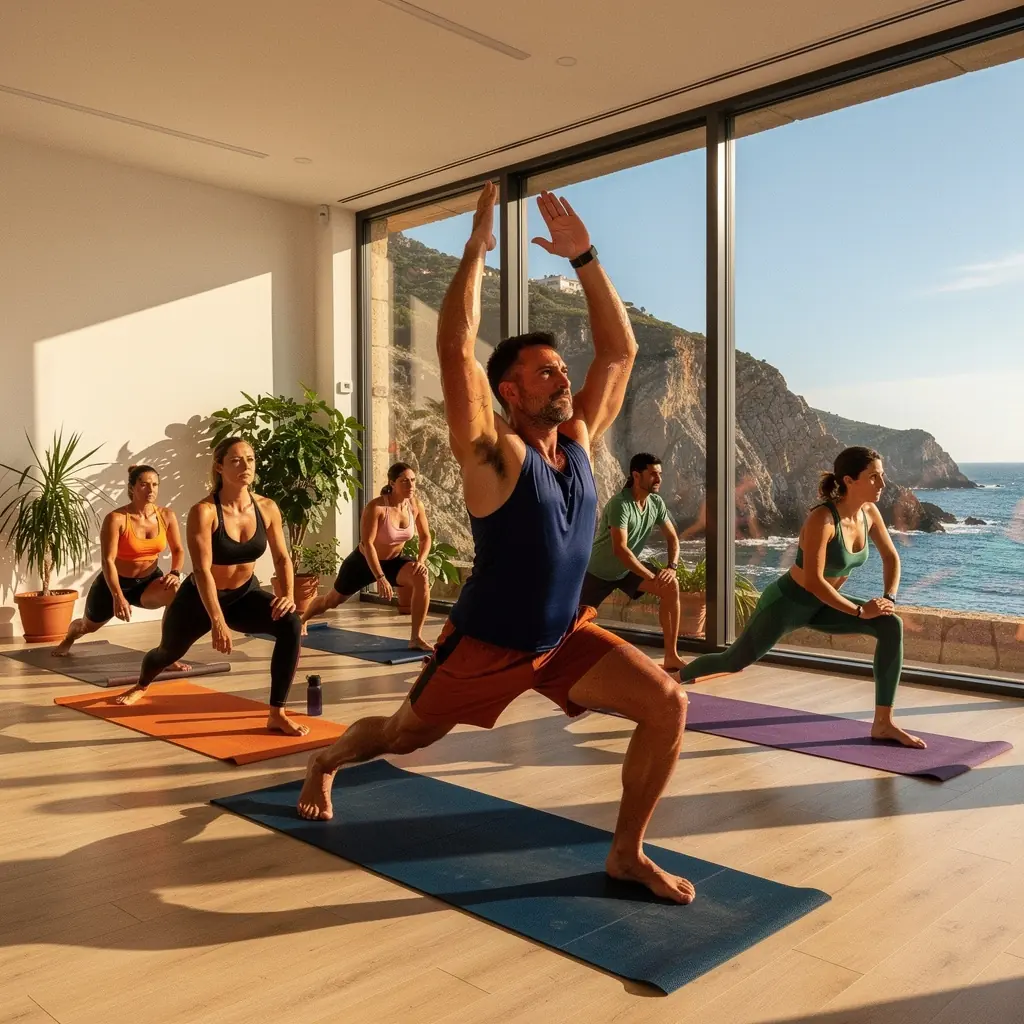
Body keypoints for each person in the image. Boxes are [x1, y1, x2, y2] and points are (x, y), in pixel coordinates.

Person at [298, 183, 695, 905]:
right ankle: (327, 760)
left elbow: (621, 350)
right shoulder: (495, 457)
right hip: (485, 648)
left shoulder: (576, 442)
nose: (562, 376)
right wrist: (475, 252)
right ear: (509, 392)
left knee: (668, 703)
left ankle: (626, 855)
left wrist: (586, 258)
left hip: (560, 638)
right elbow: (453, 348)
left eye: (560, 367)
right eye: (546, 370)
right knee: (401, 735)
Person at [680, 446, 925, 748]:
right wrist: (861, 612)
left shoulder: (869, 514)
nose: (882, 484)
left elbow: (891, 558)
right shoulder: (822, 520)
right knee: (733, 661)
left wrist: (888, 599)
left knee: (891, 625)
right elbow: (813, 581)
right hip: (787, 604)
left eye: (882, 476)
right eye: (874, 477)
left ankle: (883, 724)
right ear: (849, 480)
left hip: (825, 604)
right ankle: (671, 680)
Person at [113, 438, 308, 737]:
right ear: (219, 466)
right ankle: (142, 684)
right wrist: (217, 619)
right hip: (200, 599)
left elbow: (282, 557)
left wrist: (288, 596)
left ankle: (276, 713)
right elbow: (202, 570)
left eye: (250, 459)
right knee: (167, 652)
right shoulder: (203, 511)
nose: (246, 466)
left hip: (245, 594)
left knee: (291, 624)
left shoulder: (267, 507)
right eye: (236, 460)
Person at [53, 465, 186, 659]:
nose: (151, 490)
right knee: (86, 627)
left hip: (148, 583)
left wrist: (174, 572)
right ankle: (69, 639)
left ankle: (165, 653)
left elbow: (178, 550)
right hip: (114, 583)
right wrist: (118, 596)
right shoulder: (116, 519)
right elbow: (107, 560)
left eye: (155, 485)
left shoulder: (166, 515)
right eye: (144, 485)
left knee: (174, 593)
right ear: (132, 488)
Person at [302, 462, 434, 650]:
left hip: (394, 562)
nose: (411, 485)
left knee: (421, 576)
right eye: (404, 481)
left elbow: (426, 537)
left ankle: (416, 638)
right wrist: (379, 577)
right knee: (332, 601)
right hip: (363, 563)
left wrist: (420, 561)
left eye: (413, 480)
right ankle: (303, 619)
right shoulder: (377, 507)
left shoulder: (415, 506)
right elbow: (368, 544)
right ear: (392, 483)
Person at [579, 453, 683, 671]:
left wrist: (671, 568)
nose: (658, 479)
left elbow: (673, 538)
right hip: (597, 572)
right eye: (653, 474)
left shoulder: (656, 503)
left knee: (671, 586)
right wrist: (651, 576)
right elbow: (621, 550)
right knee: (576, 624)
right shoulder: (620, 504)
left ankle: (671, 656)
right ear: (637, 475)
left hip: (626, 571)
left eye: (660, 474)